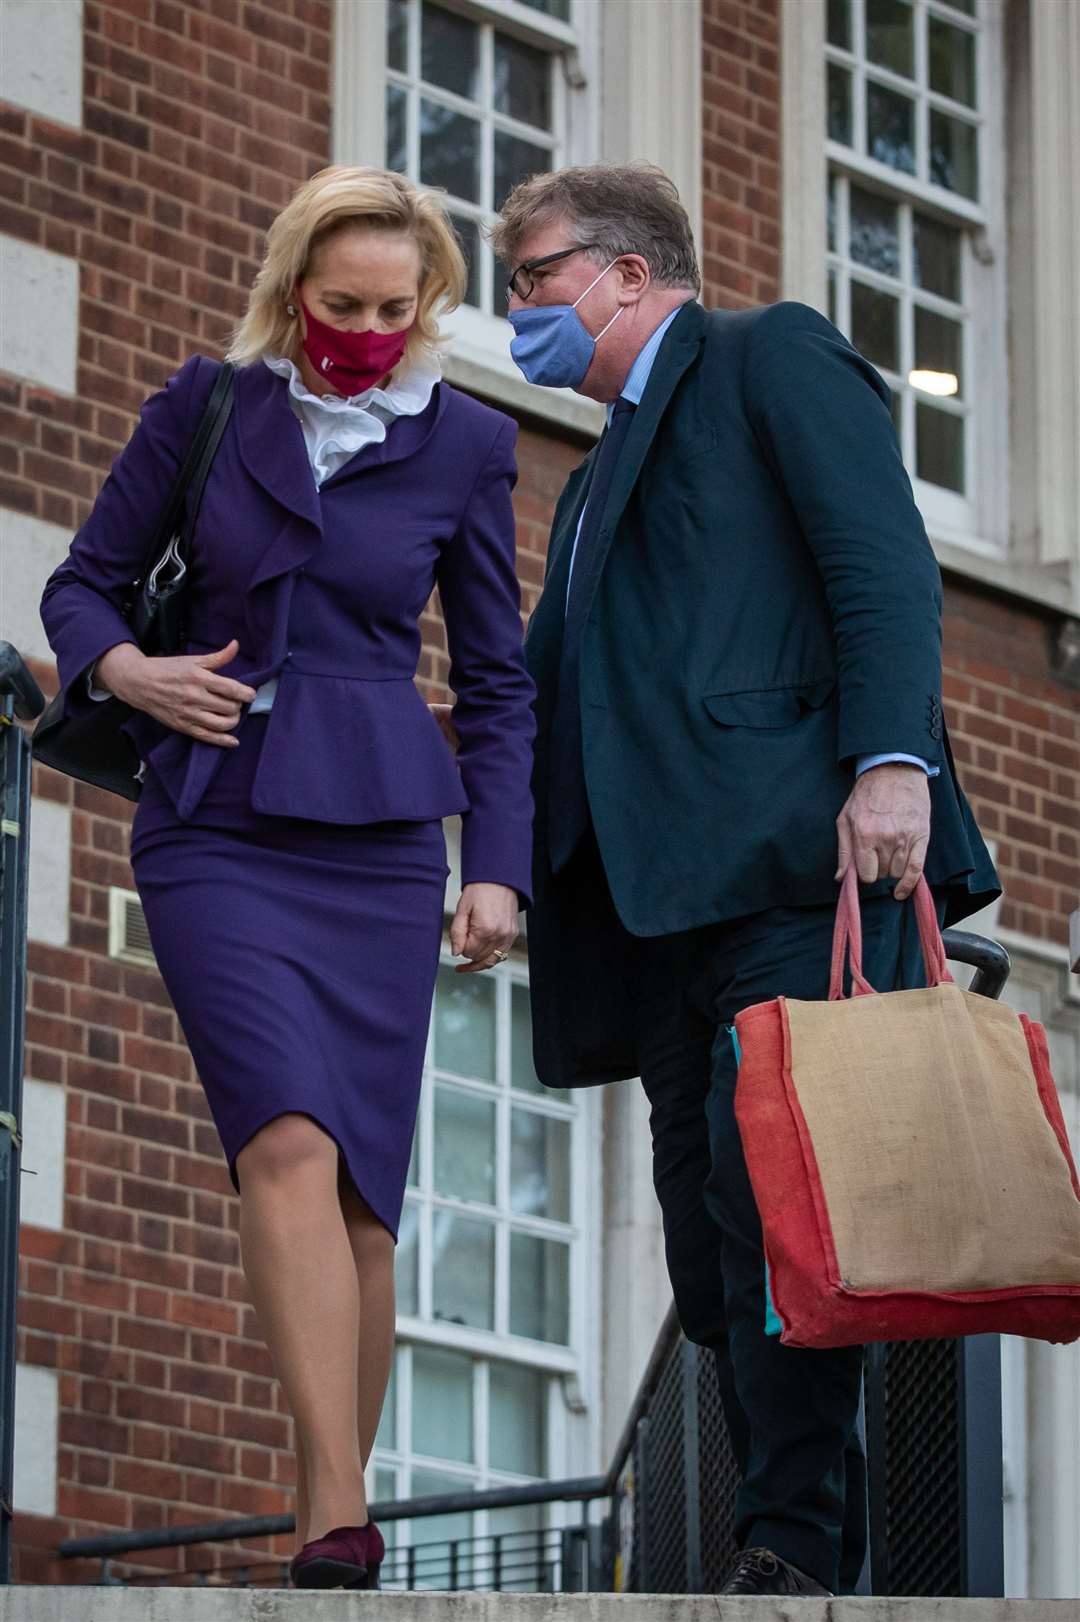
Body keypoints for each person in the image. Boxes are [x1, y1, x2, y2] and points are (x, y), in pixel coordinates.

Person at [491, 163, 998, 1599]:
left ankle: (793, 1538)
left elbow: (879, 563)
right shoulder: (587, 488)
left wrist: (891, 760)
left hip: (793, 863)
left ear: (630, 273)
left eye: (532, 276)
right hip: (654, 918)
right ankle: (779, 1515)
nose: (516, 306)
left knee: (775, 1203)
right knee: (713, 1252)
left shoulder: (766, 353)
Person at [40, 165, 536, 1591]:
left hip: (382, 840)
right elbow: (82, 583)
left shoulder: (466, 445)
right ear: (291, 292)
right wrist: (129, 666)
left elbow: (498, 682)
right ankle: (334, 1509)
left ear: (427, 304)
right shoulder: (205, 405)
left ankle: (332, 1503)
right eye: (343, 305)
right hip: (217, 827)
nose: (369, 330)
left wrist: (495, 870)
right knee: (288, 1141)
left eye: (398, 308)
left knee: (366, 1196)